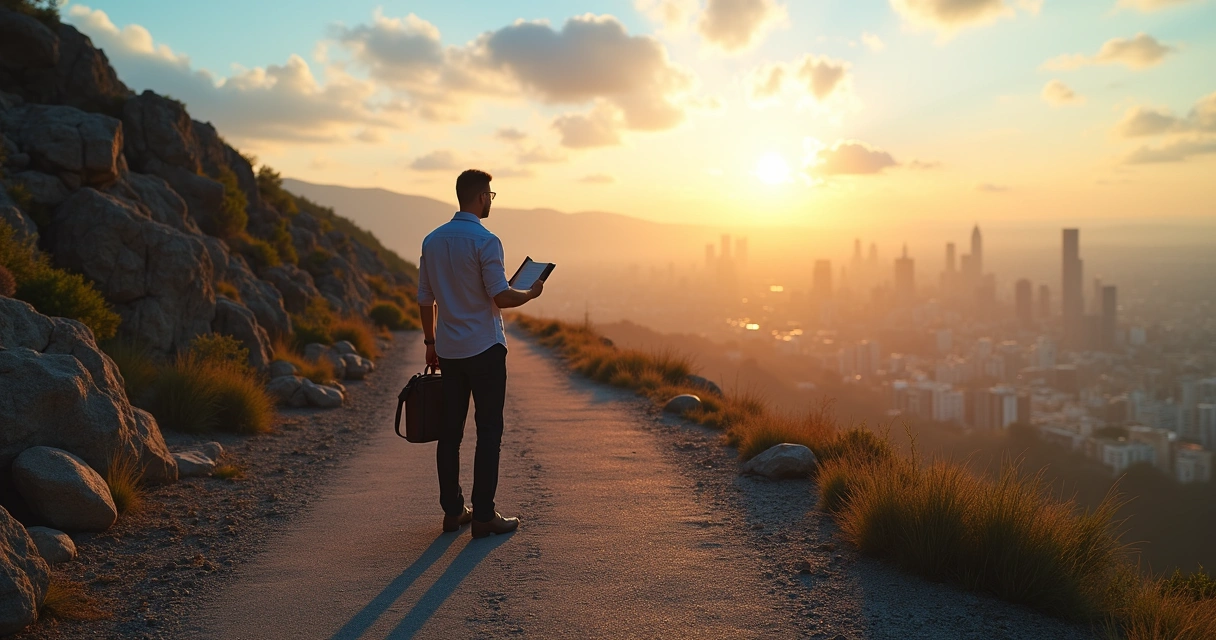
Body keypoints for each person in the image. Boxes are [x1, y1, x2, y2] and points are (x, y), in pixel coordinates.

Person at [417, 169, 544, 539]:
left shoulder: (432, 240)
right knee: (489, 431)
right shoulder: (487, 241)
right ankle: (485, 515)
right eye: (490, 194)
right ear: (481, 198)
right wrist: (530, 294)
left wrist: (430, 343)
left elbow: (426, 297)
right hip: (485, 349)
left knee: (450, 433)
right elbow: (501, 296)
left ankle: (453, 511)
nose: (491, 200)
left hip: (450, 350)